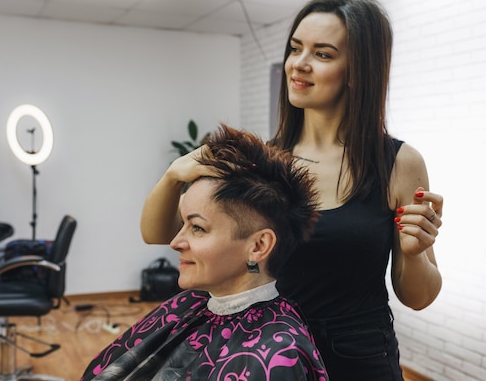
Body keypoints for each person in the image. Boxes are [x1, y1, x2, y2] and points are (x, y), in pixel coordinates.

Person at [140, 0, 444, 381]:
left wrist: (415, 252)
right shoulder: (263, 162)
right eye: (296, 49)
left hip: (359, 358)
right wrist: (173, 175)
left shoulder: (400, 164)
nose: (298, 64)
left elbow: (418, 296)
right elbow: (156, 234)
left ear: (358, 69)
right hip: (270, 352)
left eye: (323, 54)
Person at [82, 125, 328, 381]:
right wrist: (172, 175)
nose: (175, 242)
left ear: (258, 246)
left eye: (198, 228)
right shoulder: (192, 306)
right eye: (184, 223)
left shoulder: (277, 354)